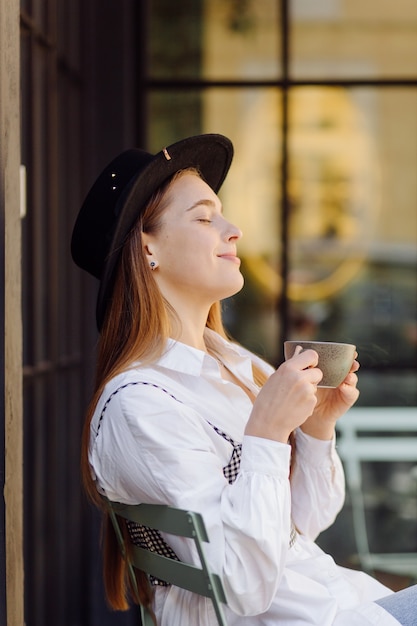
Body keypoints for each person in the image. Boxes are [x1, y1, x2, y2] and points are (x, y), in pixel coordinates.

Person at [71, 134, 417, 626]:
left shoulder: (229, 363)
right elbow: (244, 585)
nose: (233, 231)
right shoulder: (139, 403)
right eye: (205, 217)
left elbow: (303, 526)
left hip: (342, 604)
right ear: (148, 248)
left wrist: (314, 429)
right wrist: (268, 432)